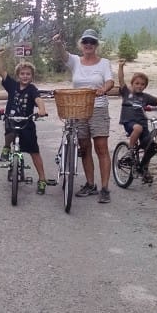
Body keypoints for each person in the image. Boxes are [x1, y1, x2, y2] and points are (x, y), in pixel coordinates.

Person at [52, 29, 114, 203]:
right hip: (78, 109)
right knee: (85, 147)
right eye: (86, 41)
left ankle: (105, 188)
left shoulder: (104, 63)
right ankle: (90, 183)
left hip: (98, 108)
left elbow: (110, 80)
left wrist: (104, 89)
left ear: (96, 45)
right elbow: (63, 55)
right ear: (81, 44)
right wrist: (58, 43)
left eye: (92, 42)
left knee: (101, 147)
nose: (88, 45)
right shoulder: (76, 61)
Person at [0, 47, 55, 195]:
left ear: (32, 76)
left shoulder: (32, 89)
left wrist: (41, 110)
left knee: (34, 151)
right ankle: (6, 147)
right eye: (22, 73)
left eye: (28, 74)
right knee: (9, 129)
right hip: (12, 120)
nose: (25, 76)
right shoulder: (12, 85)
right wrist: (0, 56)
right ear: (17, 75)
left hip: (27, 123)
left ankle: (42, 179)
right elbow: (1, 71)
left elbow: (38, 100)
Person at [117, 59, 157, 182]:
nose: (139, 86)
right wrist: (121, 67)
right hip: (129, 122)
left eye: (142, 84)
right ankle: (130, 152)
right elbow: (121, 80)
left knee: (151, 146)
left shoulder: (145, 97)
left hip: (143, 124)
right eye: (137, 83)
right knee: (138, 128)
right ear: (132, 84)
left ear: (145, 86)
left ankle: (143, 169)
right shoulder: (126, 93)